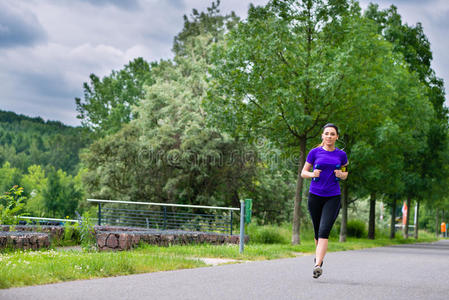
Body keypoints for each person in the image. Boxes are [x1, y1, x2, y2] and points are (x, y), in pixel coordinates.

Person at [301, 123, 348, 279]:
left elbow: (345, 173)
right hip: (315, 196)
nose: (329, 136)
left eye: (332, 134)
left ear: (337, 137)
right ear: (322, 136)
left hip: (333, 197)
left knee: (324, 231)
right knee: (316, 231)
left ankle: (317, 265)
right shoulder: (314, 152)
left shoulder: (341, 155)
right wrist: (313, 174)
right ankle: (319, 260)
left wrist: (340, 174)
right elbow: (303, 173)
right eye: (326, 133)